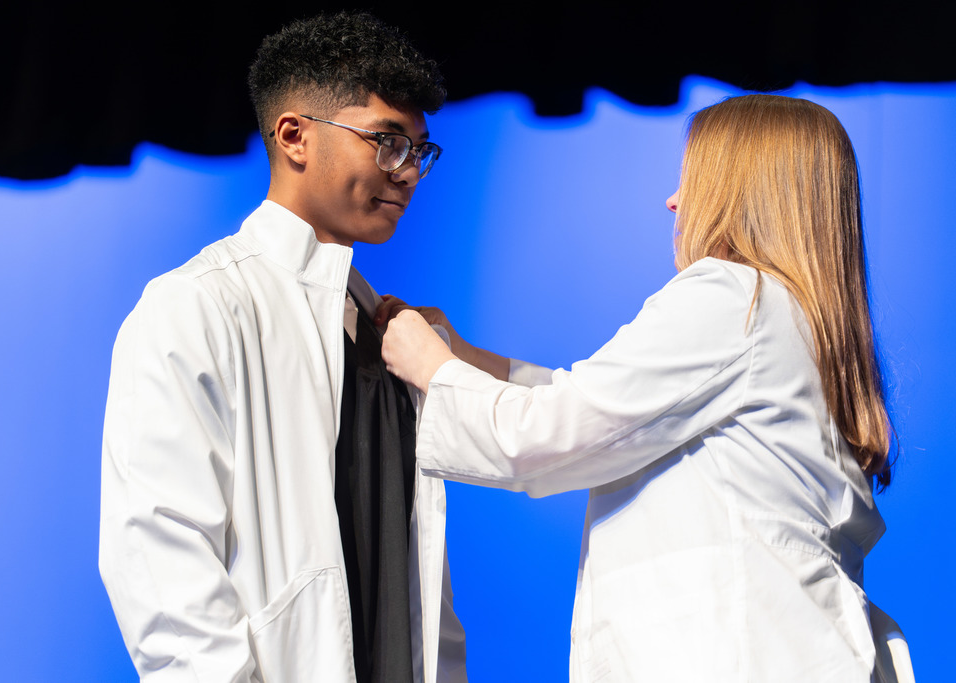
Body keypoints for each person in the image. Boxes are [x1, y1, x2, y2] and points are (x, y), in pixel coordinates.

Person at [380, 95, 912, 681]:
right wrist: (463, 358)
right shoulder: (804, 326)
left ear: (743, 191)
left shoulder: (734, 297)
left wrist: (432, 367)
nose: (674, 200)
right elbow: (610, 408)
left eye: (694, 179)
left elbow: (547, 434)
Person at [99, 11, 466, 683]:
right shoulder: (198, 306)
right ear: (295, 136)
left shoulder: (385, 329)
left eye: (420, 150)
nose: (409, 171)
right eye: (387, 142)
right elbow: (159, 556)